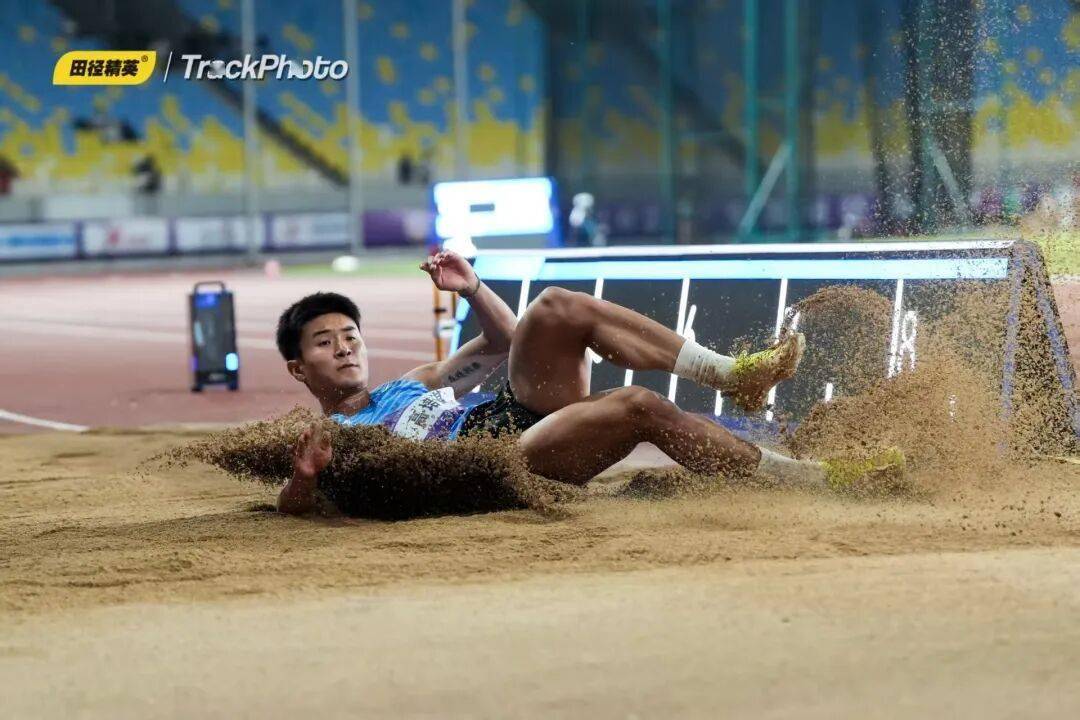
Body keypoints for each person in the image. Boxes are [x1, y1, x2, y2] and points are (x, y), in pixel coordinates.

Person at [275, 250, 904, 514]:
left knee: (554, 308)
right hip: (498, 463)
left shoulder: (408, 384)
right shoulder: (330, 435)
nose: (345, 348)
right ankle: (814, 480)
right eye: (325, 343)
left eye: (350, 335)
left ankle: (732, 375)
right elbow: (295, 505)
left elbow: (501, 341)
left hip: (513, 416)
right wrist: (304, 480)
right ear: (300, 369)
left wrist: (470, 288)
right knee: (635, 406)